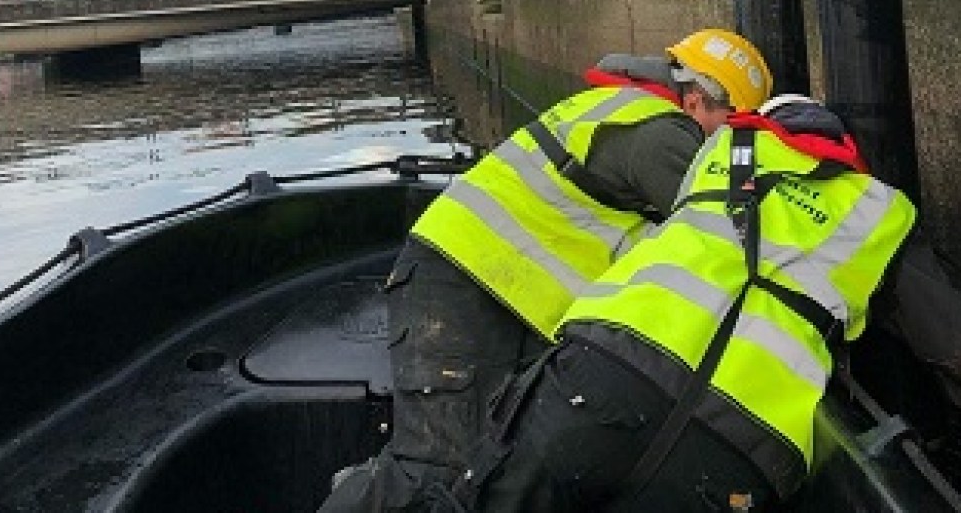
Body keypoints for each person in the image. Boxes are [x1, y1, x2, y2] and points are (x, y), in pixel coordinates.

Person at [318, 29, 775, 512]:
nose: (734, 145)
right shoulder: (664, 135)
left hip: (496, 291)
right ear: (699, 101)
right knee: (433, 466)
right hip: (466, 282)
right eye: (734, 128)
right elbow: (732, 235)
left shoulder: (621, 105)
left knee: (490, 462)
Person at [439, 94, 918, 512]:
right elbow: (943, 342)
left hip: (606, 369)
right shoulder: (884, 211)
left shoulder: (725, 148)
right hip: (745, 443)